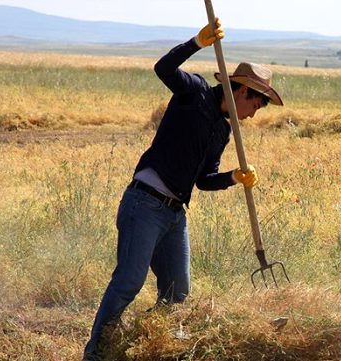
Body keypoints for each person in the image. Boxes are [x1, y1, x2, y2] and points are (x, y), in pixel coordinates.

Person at [83, 18, 283, 360]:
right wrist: (196, 42)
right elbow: (163, 68)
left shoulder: (223, 131)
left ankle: (145, 345)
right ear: (242, 91)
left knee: (177, 293)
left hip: (175, 214)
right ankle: (97, 352)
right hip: (144, 203)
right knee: (129, 281)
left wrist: (234, 177)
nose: (252, 115)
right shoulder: (195, 92)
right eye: (254, 106)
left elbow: (205, 180)